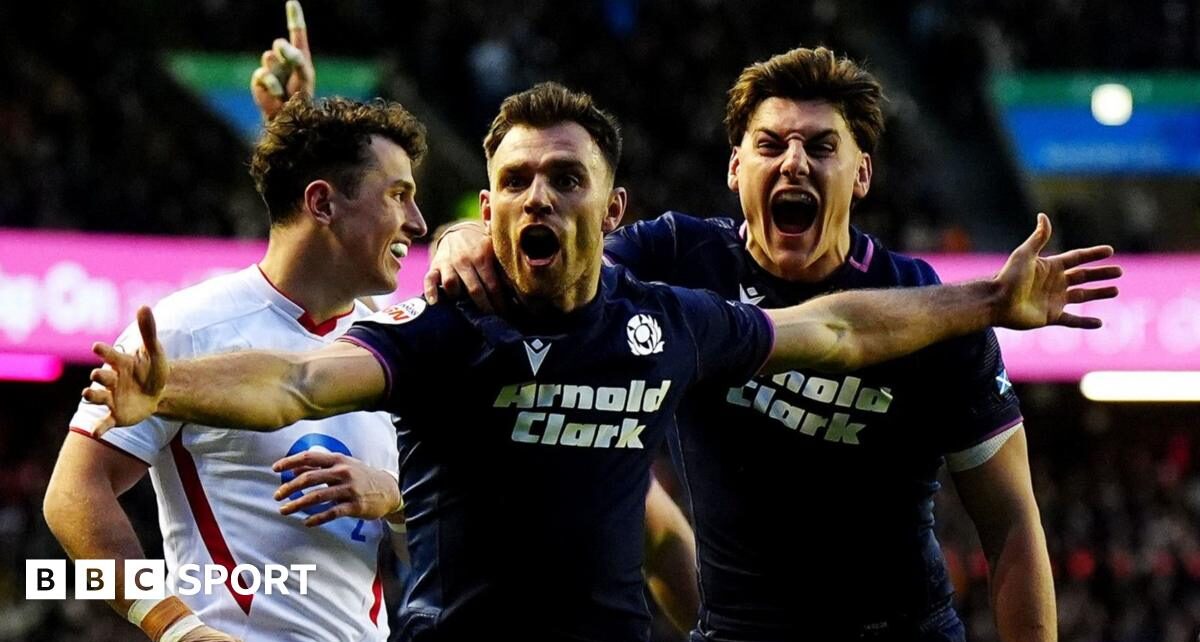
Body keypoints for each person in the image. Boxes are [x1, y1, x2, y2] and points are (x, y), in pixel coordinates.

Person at [83, 82, 1117, 642]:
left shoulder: (670, 321)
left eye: (565, 178)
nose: (539, 196)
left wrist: (989, 301)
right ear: (489, 208)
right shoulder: (449, 332)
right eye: (516, 182)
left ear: (610, 208)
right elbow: (298, 380)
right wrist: (168, 386)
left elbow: (837, 331)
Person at [429, 48, 1121, 641]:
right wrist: (461, 237)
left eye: (820, 147)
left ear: (862, 174)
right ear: (736, 169)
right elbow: (561, 264)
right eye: (770, 145)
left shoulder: (926, 309)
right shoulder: (679, 259)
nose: (793, 163)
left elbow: (1011, 524)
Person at [43, 8, 427, 640]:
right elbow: (72, 494)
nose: (417, 222)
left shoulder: (391, 350)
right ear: (321, 203)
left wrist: (393, 496)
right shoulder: (187, 328)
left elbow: (441, 536)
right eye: (397, 195)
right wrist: (176, 628)